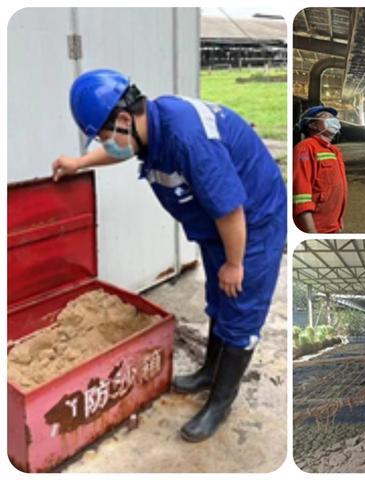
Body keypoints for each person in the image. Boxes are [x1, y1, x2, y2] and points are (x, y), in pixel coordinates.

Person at [52, 69, 286, 442]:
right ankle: (210, 371)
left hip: (252, 222)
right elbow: (123, 148)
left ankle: (221, 402)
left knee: (240, 309)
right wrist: (80, 164)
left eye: (103, 135)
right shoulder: (150, 129)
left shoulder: (188, 140)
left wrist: (235, 262)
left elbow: (231, 212)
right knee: (220, 296)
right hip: (218, 224)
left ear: (125, 118)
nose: (104, 143)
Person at [292, 105, 347, 233]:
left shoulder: (334, 150)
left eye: (333, 117)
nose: (333, 120)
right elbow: (301, 197)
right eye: (326, 116)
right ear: (313, 125)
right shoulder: (305, 148)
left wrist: (339, 219)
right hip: (317, 227)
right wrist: (311, 233)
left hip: (332, 225)